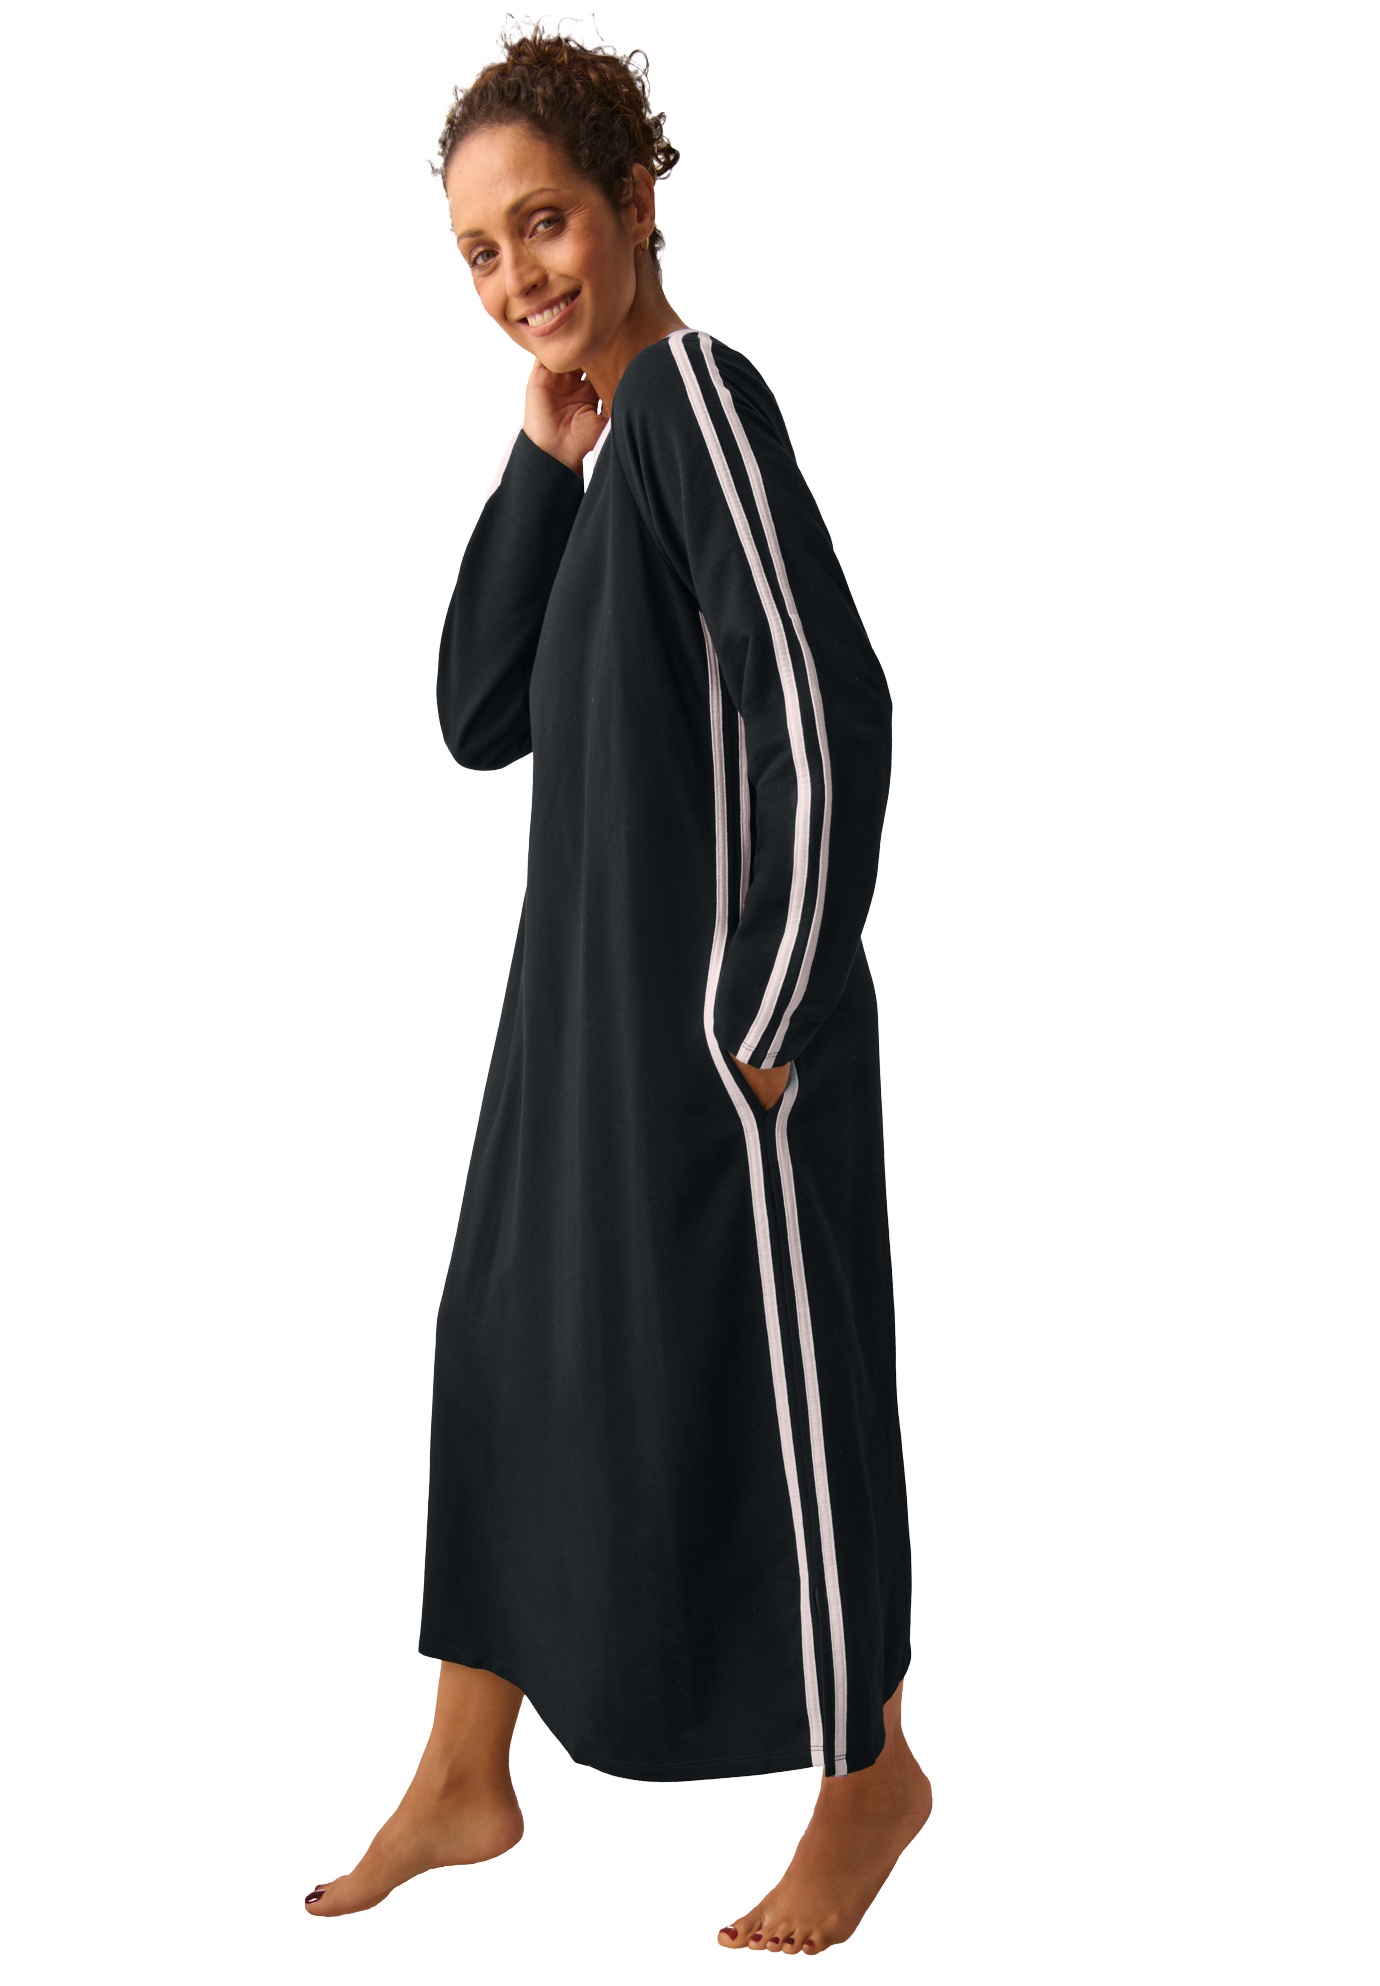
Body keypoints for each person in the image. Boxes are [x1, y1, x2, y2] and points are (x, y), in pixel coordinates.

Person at [305, 28, 931, 1953]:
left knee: (781, 1394)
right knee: (500, 1343)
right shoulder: (609, 449)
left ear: (638, 197)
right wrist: (535, 457)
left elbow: (825, 708)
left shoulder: (698, 402)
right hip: (570, 1031)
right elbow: (475, 709)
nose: (519, 276)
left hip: (722, 1041)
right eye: (481, 253)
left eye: (547, 222)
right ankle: (464, 1767)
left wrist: (764, 1017)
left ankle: (869, 1773)